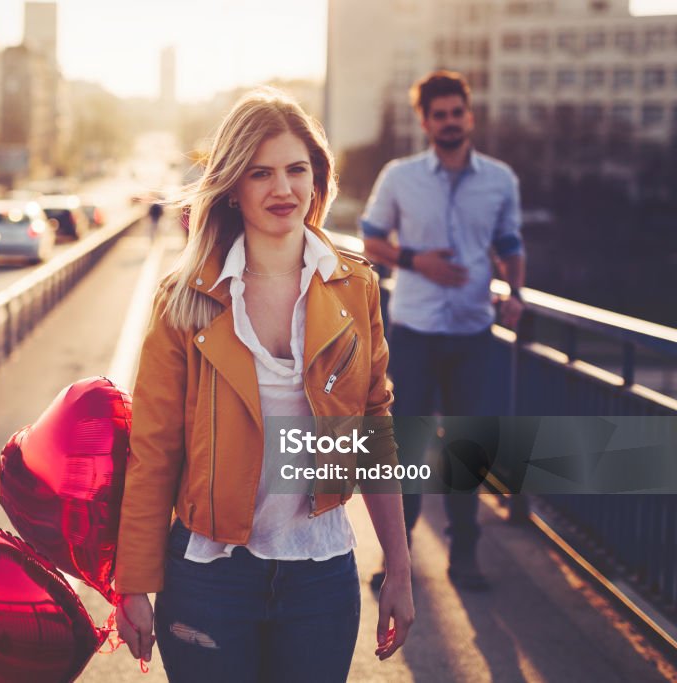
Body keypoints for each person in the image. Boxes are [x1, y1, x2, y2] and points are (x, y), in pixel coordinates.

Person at [115, 87, 414, 682]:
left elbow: (374, 433)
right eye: (261, 173)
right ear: (232, 186)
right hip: (209, 578)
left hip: (320, 576)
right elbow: (153, 450)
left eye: (296, 170)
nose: (283, 189)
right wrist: (134, 583)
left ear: (317, 178)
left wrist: (400, 570)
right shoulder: (185, 300)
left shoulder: (354, 288)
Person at [359, 70, 526, 592]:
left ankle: (466, 559)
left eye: (458, 112)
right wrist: (418, 261)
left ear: (468, 115)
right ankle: (397, 562)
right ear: (426, 121)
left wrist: (516, 291)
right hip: (414, 330)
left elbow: (509, 242)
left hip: (474, 332)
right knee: (404, 449)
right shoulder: (399, 176)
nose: (450, 122)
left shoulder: (500, 179)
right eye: (440, 115)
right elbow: (370, 240)